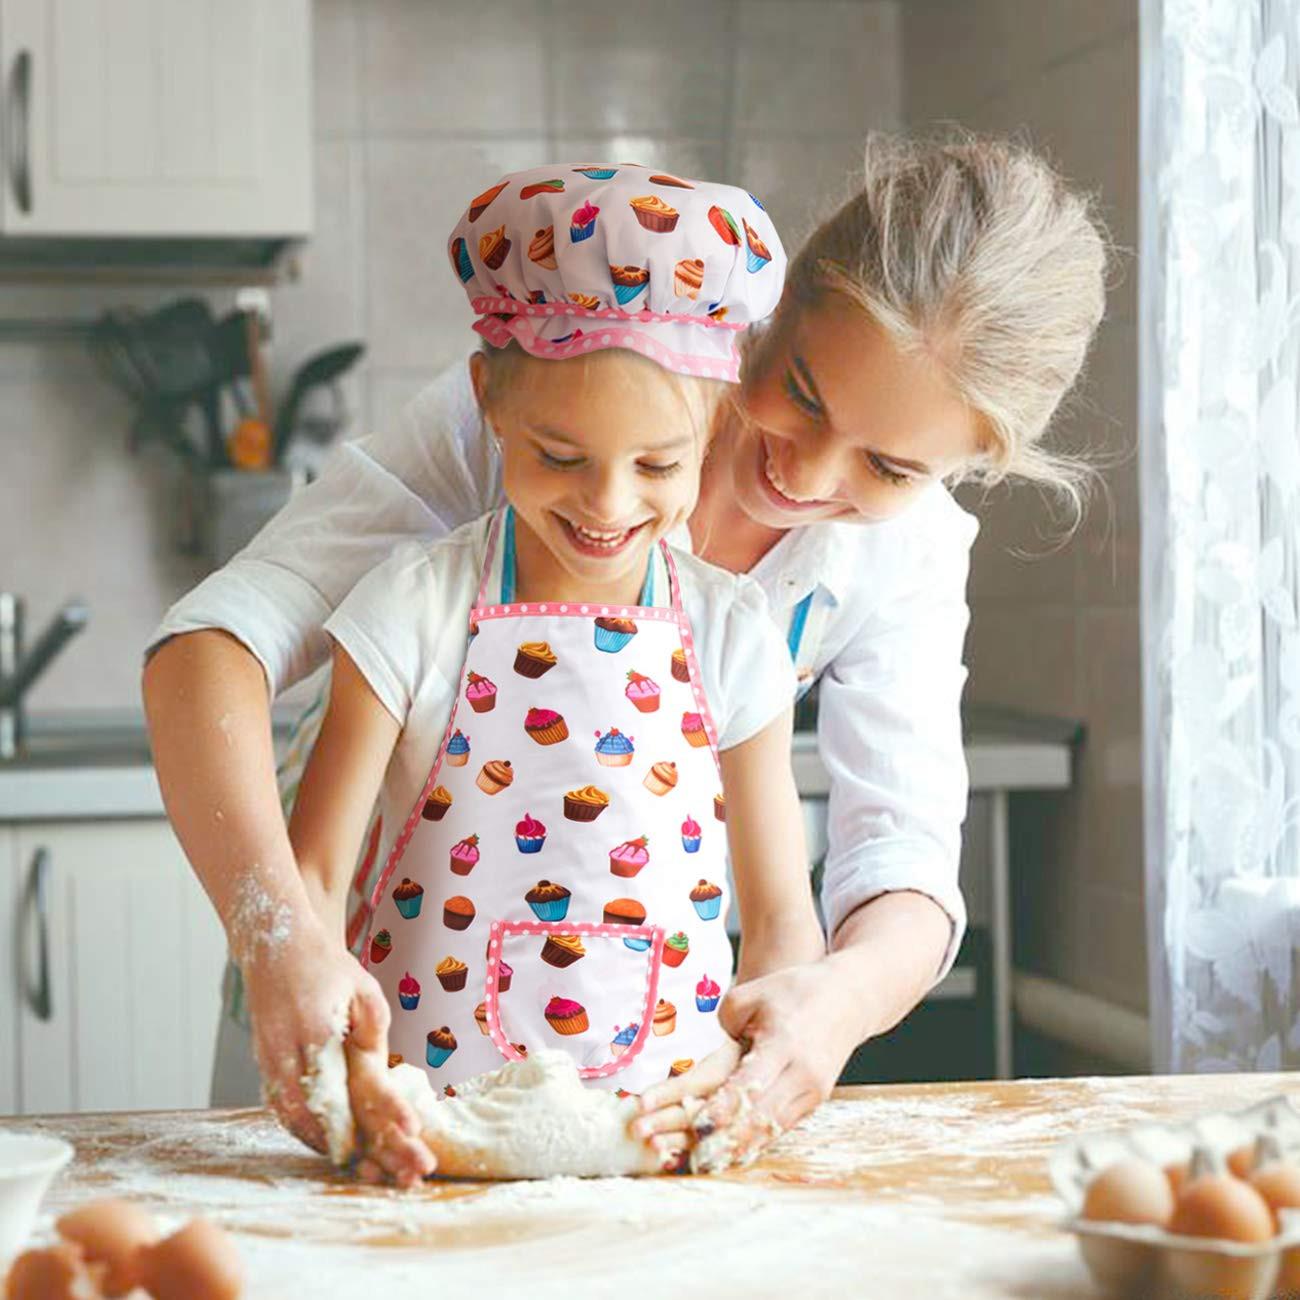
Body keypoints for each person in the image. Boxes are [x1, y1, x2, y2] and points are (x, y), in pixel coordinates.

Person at [144, 132, 1108, 1177]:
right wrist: (285, 937)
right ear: (773, 311)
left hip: (646, 1080)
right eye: (803, 389)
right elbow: (214, 646)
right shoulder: (566, 383)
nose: (803, 469)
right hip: (371, 1027)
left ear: (962, 467)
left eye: (886, 465)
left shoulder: (902, 555)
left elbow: (902, 856)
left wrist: (831, 1007)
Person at [283, 165, 823, 1181]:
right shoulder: (408, 610)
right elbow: (309, 881)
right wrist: (347, 1069)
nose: (608, 503)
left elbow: (781, 910)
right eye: (560, 454)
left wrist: (757, 1076)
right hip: (428, 1141)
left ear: (712, 429)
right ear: (489, 398)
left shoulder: (733, 635)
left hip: (665, 1147)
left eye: (658, 466)